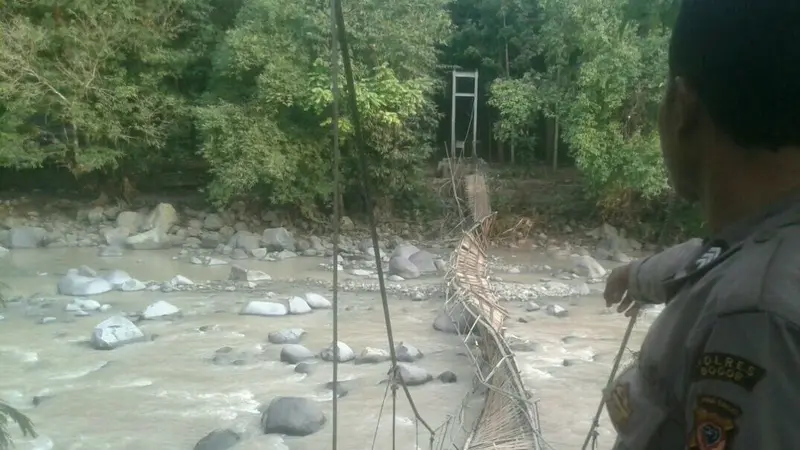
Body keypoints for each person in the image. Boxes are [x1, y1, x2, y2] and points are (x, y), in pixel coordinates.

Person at [599, 0, 800, 448]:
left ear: (683, 105)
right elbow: (711, 254)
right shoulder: (764, 246)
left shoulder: (752, 317)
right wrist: (636, 275)